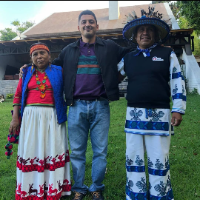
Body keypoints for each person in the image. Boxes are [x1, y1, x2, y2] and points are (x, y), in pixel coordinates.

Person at [20, 10, 131, 200]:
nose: (87, 24)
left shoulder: (110, 47)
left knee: (100, 151)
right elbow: (48, 67)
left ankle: (97, 187)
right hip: (76, 106)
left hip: (101, 106)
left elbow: (131, 55)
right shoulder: (68, 50)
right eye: (84, 22)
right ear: (78, 27)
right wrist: (28, 67)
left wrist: (117, 77)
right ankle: (79, 188)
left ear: (97, 26)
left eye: (91, 22)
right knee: (78, 152)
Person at [119, 8, 186, 200]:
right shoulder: (128, 58)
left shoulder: (167, 54)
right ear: (134, 35)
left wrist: (178, 109)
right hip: (133, 117)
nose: (145, 33)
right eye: (141, 30)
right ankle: (136, 195)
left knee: (158, 160)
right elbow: (112, 76)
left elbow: (177, 80)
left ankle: (160, 195)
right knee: (134, 158)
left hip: (161, 115)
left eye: (149, 29)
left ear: (156, 34)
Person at [10, 43, 71, 200]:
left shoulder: (59, 71)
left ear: (49, 55)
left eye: (42, 53)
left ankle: (53, 188)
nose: (39, 56)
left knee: (52, 149)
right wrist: (15, 118)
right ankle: (31, 188)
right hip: (30, 118)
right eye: (35, 54)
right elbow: (17, 96)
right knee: (32, 149)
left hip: (53, 116)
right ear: (31, 58)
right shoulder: (26, 73)